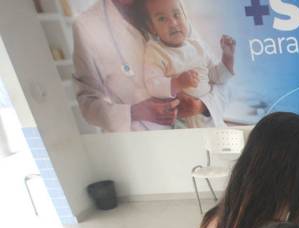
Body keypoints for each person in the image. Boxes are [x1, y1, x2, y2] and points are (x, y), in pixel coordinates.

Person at [72, 0, 209, 131]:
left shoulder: (169, 5)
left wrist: (201, 106)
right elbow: (88, 103)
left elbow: (213, 71)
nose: (172, 22)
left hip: (200, 129)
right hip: (144, 139)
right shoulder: (86, 25)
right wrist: (134, 112)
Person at [140, 0, 235, 128]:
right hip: (181, 121)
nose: (173, 23)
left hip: (208, 118)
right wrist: (177, 83)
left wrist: (228, 57)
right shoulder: (155, 51)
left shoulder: (197, 47)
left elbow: (217, 77)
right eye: (162, 19)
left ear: (186, 17)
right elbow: (153, 83)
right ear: (152, 27)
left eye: (177, 15)